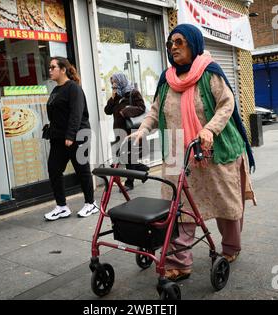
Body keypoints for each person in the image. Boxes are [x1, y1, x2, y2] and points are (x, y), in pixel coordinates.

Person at [130, 24, 256, 281]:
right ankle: (180, 262)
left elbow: (226, 104)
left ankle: (231, 247)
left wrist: (210, 129)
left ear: (194, 44)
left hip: (214, 150)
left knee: (225, 204)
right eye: (170, 44)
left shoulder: (210, 72)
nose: (173, 47)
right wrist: (142, 129)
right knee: (178, 208)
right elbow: (155, 111)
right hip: (178, 153)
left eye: (179, 42)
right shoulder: (167, 79)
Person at [43, 57, 98, 221]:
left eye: (53, 67)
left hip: (77, 136)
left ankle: (91, 203)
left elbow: (77, 113)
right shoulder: (55, 90)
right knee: (54, 169)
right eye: (49, 67)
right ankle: (61, 206)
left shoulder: (73, 88)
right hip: (59, 138)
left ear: (63, 69)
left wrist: (70, 135)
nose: (50, 70)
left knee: (82, 170)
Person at [104, 72, 149, 191]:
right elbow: (107, 111)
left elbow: (142, 108)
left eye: (115, 82)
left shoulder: (133, 93)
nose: (114, 85)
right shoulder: (116, 96)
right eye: (112, 83)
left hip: (131, 131)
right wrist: (112, 98)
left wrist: (126, 111)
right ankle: (143, 170)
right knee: (125, 157)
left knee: (129, 157)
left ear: (121, 81)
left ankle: (129, 183)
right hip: (119, 131)